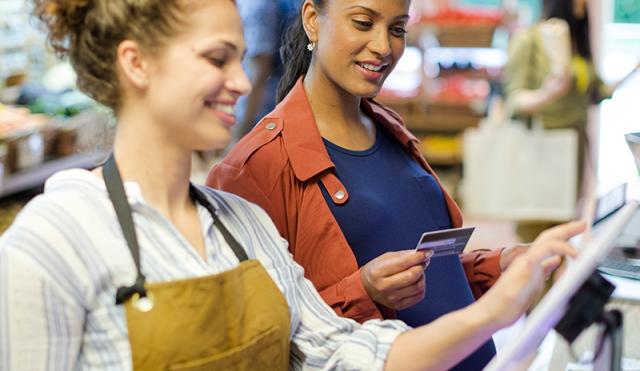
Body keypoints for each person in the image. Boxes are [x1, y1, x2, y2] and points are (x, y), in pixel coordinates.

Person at [0, 0, 583, 370]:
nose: (239, 80)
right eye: (217, 58)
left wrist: (499, 305)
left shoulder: (241, 227)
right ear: (137, 63)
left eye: (239, 57)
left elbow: (342, 352)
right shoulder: (53, 242)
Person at [207, 0, 554, 369]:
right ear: (312, 20)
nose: (384, 47)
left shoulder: (391, 131)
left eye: (397, 29)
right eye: (362, 23)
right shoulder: (253, 168)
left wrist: (499, 265)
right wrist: (363, 292)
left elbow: (426, 275)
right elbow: (260, 341)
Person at [504, 0, 640, 242]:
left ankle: (557, 281)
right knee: (535, 233)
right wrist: (549, 93)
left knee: (564, 229)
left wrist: (633, 70)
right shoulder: (531, 40)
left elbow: (596, 93)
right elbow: (515, 101)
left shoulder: (578, 41)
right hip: (542, 147)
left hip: (574, 146)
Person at [230, 0, 298, 147]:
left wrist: (236, 139)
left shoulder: (258, 6)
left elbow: (258, 75)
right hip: (248, 114)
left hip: (259, 118)